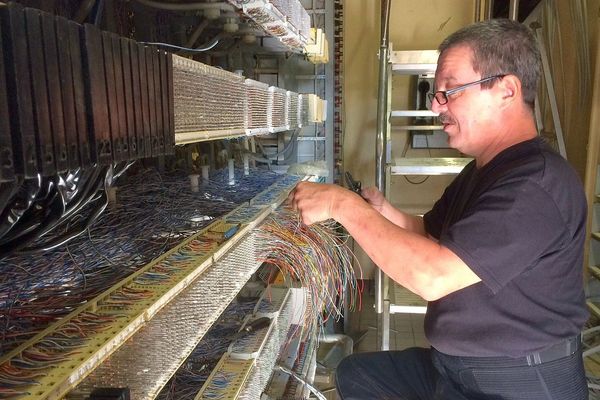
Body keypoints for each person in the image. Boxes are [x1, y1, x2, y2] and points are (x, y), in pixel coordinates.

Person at [287, 18, 589, 400]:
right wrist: (381, 211)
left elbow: (433, 276)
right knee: (358, 375)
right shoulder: (484, 169)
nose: (435, 105)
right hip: (457, 367)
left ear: (506, 90)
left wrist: (339, 203)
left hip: (516, 380)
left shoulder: (536, 184)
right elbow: (429, 236)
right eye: (436, 92)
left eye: (450, 91)